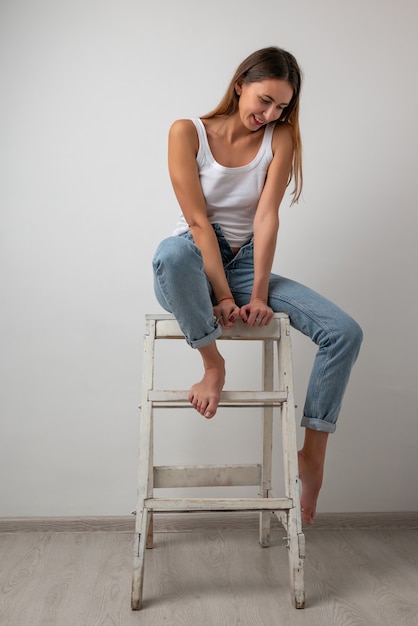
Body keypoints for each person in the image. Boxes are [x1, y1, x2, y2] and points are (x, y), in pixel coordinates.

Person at [152, 46, 363, 525]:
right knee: (170, 252)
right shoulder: (187, 132)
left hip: (247, 264)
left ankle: (313, 454)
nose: (268, 114)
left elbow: (267, 217)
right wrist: (223, 296)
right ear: (240, 83)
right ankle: (212, 364)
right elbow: (198, 221)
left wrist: (258, 294)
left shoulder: (279, 138)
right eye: (264, 100)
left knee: (344, 332)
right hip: (191, 263)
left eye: (280, 108)